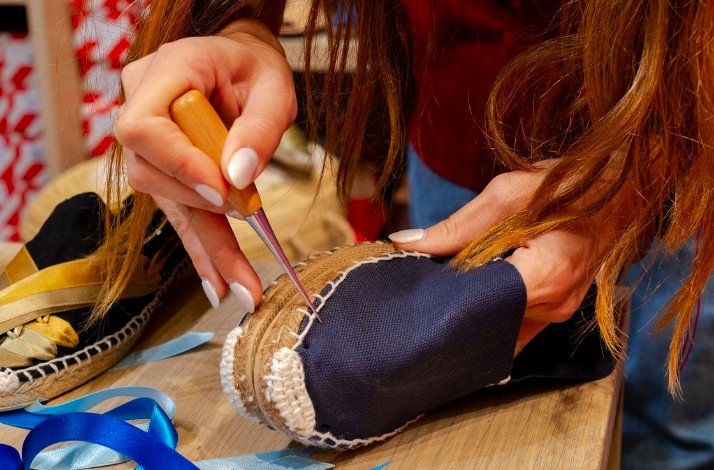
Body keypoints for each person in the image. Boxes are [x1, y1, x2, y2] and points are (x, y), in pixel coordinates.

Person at [98, 0, 713, 465]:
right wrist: (236, 25)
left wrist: (637, 172)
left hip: (687, 130)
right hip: (458, 133)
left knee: (675, 422)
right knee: (499, 430)